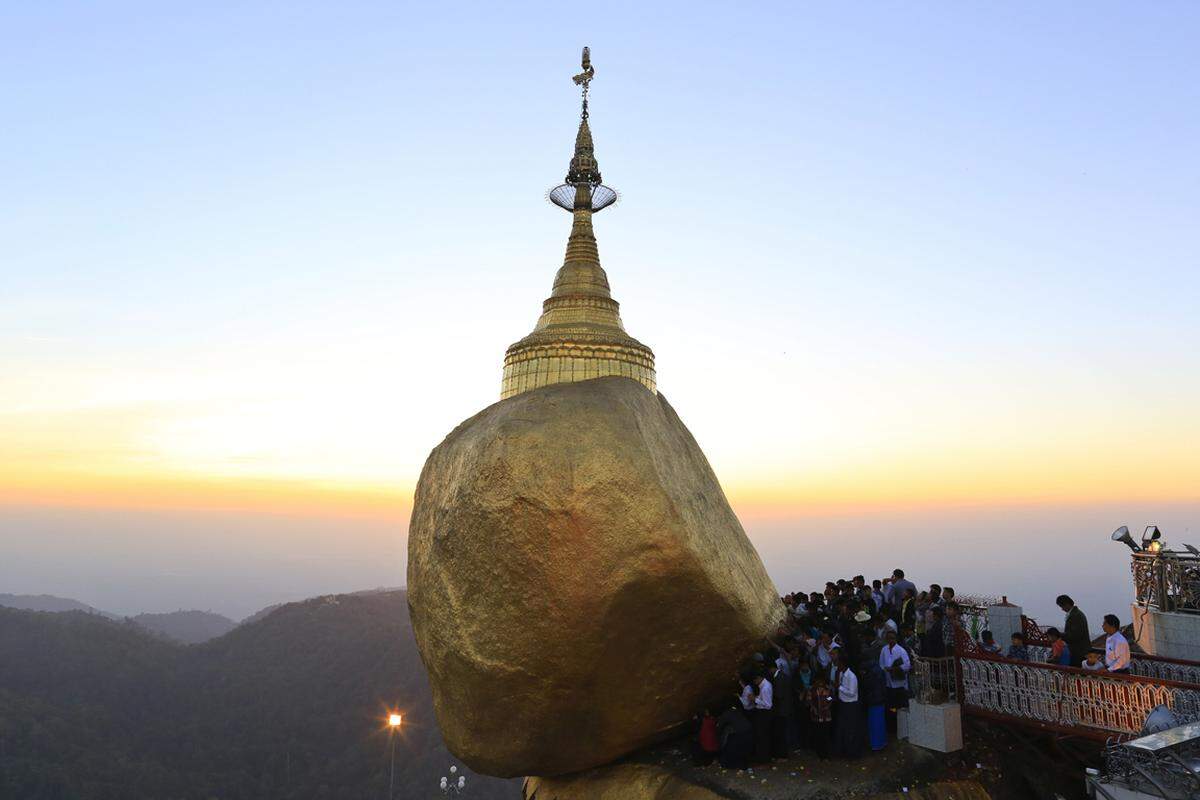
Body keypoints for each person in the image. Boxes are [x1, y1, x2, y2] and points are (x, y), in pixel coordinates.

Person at [831, 649, 864, 758]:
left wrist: (839, 687)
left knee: (851, 730)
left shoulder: (851, 676)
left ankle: (853, 752)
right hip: (843, 704)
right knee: (843, 729)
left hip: (851, 706)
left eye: (837, 663)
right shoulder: (841, 674)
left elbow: (852, 692)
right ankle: (844, 750)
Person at [878, 629, 911, 733]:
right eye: (888, 638)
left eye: (892, 638)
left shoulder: (901, 650)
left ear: (895, 639)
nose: (890, 640)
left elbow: (907, 665)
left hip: (899, 685)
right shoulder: (884, 650)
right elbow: (881, 664)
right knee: (891, 708)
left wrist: (894, 669)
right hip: (889, 684)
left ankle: (902, 728)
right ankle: (892, 728)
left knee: (900, 707)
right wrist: (886, 669)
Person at [716, 702, 754, 769]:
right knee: (743, 749)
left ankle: (731, 765)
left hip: (740, 732)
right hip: (749, 731)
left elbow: (720, 726)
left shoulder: (726, 714)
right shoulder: (738, 711)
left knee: (733, 748)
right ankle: (743, 765)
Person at [1057, 594, 1091, 669]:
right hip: (1079, 651)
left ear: (1067, 604)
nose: (1062, 609)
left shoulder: (1076, 615)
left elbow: (1073, 636)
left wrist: (1058, 635)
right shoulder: (1075, 614)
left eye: (1062, 606)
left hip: (1079, 652)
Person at [770, 658, 792, 758]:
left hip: (781, 710)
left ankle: (782, 755)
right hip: (784, 709)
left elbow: (779, 695)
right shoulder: (783, 676)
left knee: (781, 733)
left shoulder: (779, 678)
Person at [808, 675, 833, 759]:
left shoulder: (828, 690)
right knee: (818, 736)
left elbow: (830, 699)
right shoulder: (812, 691)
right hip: (816, 717)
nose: (820, 683)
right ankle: (820, 755)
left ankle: (827, 755)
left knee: (826, 736)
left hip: (826, 716)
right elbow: (809, 701)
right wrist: (813, 708)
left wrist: (827, 705)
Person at [751, 672, 774, 763]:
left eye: (754, 680)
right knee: (762, 737)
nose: (754, 682)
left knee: (762, 737)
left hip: (764, 714)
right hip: (763, 713)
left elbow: (768, 705)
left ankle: (764, 760)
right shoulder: (764, 685)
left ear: (759, 678)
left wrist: (755, 699)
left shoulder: (765, 688)